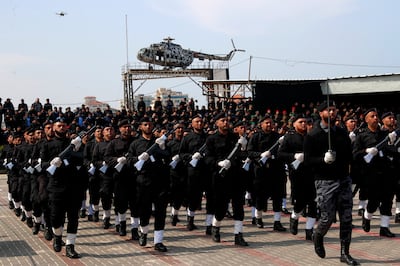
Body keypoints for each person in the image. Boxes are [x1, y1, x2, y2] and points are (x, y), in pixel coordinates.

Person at [303, 101, 359, 265]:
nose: (333, 113)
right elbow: (307, 161)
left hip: (343, 179)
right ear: (321, 113)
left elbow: (350, 156)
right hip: (325, 181)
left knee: (346, 218)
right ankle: (318, 235)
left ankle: (345, 253)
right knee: (327, 218)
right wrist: (323, 159)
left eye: (334, 110)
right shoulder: (312, 135)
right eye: (329, 110)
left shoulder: (341, 133)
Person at [40, 118, 84, 258]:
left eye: (64, 126)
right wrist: (52, 163)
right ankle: (57, 237)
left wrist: (77, 149)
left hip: (73, 185)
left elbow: (81, 161)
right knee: (56, 217)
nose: (62, 127)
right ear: (53, 128)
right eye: (59, 125)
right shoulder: (47, 145)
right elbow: (43, 165)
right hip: (56, 185)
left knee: (73, 217)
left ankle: (70, 245)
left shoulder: (73, 144)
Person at [204, 112, 248, 246]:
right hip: (220, 177)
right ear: (217, 123)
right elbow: (207, 158)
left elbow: (242, 155)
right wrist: (219, 163)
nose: (225, 123)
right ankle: (215, 227)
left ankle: (238, 234)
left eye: (227, 120)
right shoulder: (211, 139)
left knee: (238, 207)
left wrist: (244, 146)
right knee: (221, 208)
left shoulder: (235, 137)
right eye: (222, 120)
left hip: (236, 176)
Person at [127, 117, 170, 252]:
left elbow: (168, 157)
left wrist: (162, 148)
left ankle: (158, 241)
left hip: (160, 181)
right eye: (145, 124)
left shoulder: (158, 142)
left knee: (160, 212)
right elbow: (129, 161)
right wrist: (138, 159)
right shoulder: (135, 144)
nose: (148, 126)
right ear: (140, 127)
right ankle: (143, 233)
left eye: (150, 124)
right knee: (144, 211)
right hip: (143, 181)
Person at [353, 109, 397, 238]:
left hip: (386, 171)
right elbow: (355, 155)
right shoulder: (362, 136)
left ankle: (384, 227)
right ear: (366, 120)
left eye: (376, 116)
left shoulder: (384, 134)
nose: (375, 118)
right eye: (372, 116)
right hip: (370, 173)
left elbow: (391, 150)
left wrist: (391, 144)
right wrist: (366, 151)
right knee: (374, 201)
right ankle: (367, 216)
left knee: (388, 200)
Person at [278, 114, 317, 241]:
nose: (304, 124)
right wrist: (294, 156)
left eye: (305, 122)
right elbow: (281, 154)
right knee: (300, 202)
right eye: (301, 122)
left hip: (311, 172)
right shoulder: (289, 137)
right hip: (297, 174)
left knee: (313, 202)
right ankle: (294, 217)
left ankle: (309, 230)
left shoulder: (311, 137)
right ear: (294, 124)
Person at [247, 115, 287, 232]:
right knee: (259, 196)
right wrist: (260, 155)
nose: (269, 125)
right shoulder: (255, 137)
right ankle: (258, 218)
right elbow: (249, 152)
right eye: (266, 123)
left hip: (276, 170)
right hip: (260, 171)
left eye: (271, 123)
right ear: (261, 124)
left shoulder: (277, 137)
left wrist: (273, 156)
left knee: (278, 196)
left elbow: (283, 152)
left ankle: (277, 221)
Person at [104, 119, 136, 237]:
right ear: (120, 129)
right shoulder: (114, 143)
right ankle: (122, 225)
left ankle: (134, 228)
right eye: (124, 127)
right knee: (121, 203)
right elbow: (107, 158)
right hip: (120, 177)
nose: (127, 129)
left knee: (135, 204)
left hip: (134, 176)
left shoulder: (135, 141)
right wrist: (116, 160)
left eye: (128, 127)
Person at [179, 115, 209, 232]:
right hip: (193, 170)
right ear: (192, 124)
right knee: (193, 196)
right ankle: (190, 220)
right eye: (197, 122)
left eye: (201, 121)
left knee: (209, 196)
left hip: (206, 169)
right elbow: (181, 154)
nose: (200, 124)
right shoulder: (187, 138)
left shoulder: (208, 138)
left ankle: (209, 223)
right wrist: (191, 156)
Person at [167, 123, 186, 227]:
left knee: (181, 195)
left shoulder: (186, 142)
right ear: (174, 131)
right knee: (174, 195)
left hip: (184, 171)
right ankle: (173, 214)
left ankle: (176, 214)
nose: (180, 130)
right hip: (173, 172)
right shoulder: (170, 144)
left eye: (181, 128)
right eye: (178, 128)